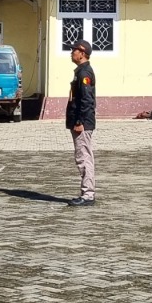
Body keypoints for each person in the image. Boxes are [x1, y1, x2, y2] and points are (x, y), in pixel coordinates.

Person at [65, 39, 97, 206]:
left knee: (83, 158)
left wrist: (79, 121)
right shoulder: (80, 72)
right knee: (84, 156)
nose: (72, 53)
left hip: (82, 122)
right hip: (81, 121)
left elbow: (86, 100)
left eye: (74, 50)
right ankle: (87, 192)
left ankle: (88, 195)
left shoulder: (84, 74)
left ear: (82, 53)